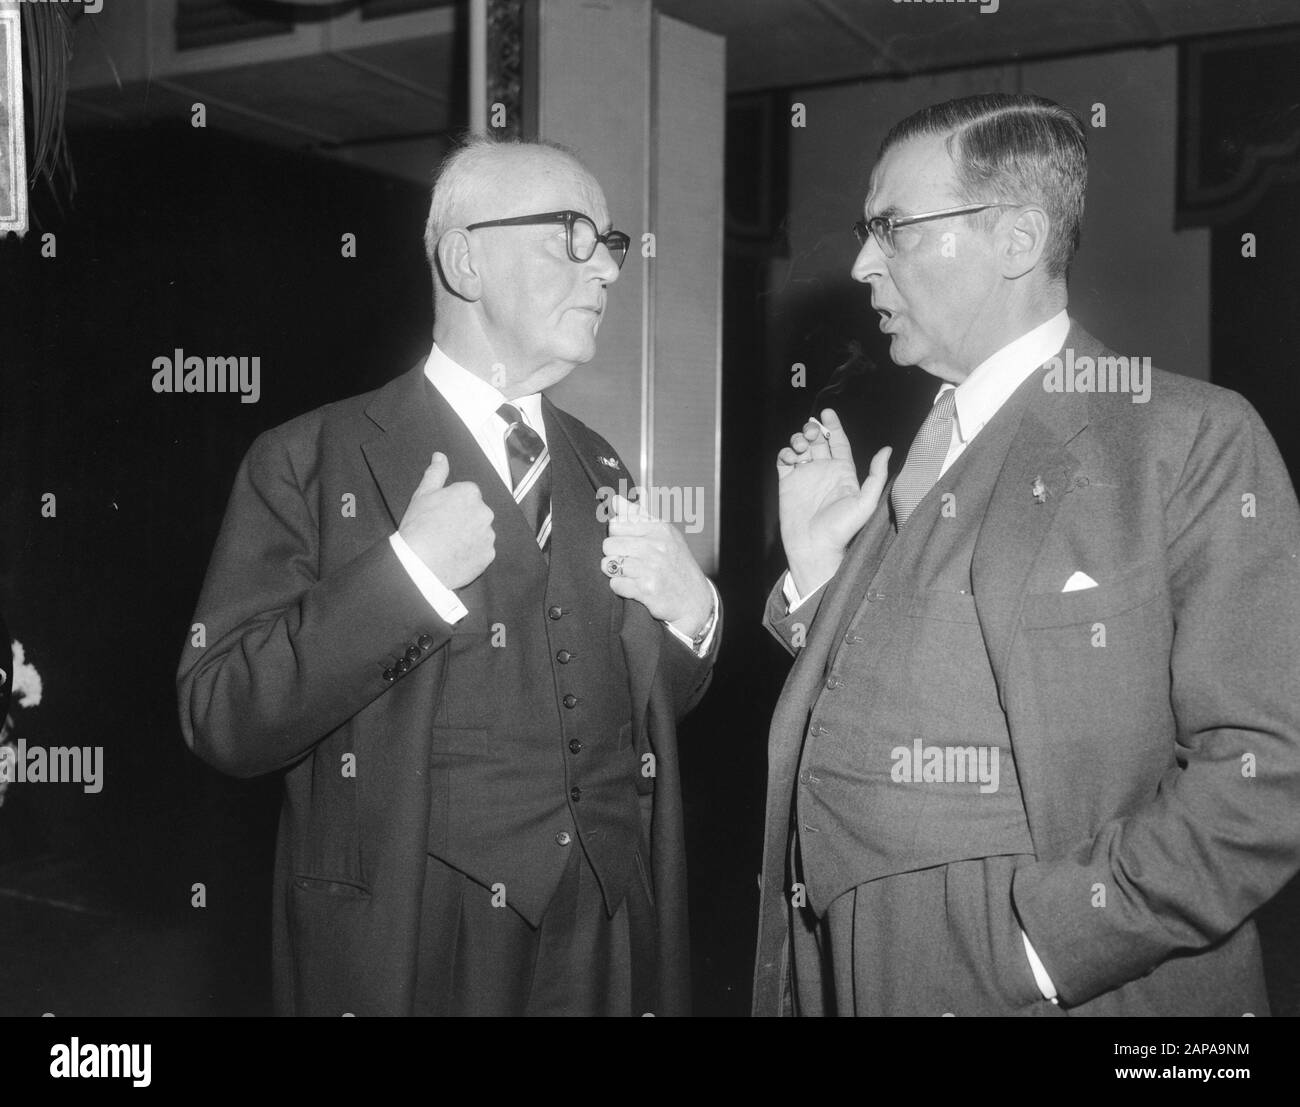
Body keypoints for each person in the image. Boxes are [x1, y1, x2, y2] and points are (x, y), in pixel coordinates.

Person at [753, 92, 1300, 1016]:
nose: (859, 263)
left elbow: (1265, 770)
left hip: (1038, 972)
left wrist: (1048, 943)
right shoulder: (919, 439)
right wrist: (816, 579)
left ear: (1015, 239)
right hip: (837, 955)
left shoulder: (1186, 438)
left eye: (891, 228)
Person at [178, 137, 720, 1017]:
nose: (608, 271)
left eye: (611, 244)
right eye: (573, 236)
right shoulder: (307, 459)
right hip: (420, 930)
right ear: (466, 257)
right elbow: (220, 714)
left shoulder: (603, 465)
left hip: (608, 923)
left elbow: (629, 701)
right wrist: (407, 579)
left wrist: (694, 615)